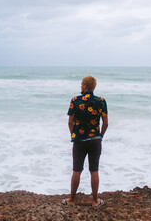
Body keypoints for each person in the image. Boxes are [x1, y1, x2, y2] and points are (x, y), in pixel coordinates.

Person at [62, 75, 108, 208]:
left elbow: (70, 121)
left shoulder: (75, 100)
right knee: (94, 170)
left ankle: (71, 199)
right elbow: (105, 124)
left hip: (79, 140)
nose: (80, 86)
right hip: (95, 140)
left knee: (77, 170)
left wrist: (74, 135)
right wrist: (101, 136)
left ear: (85, 86)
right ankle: (95, 201)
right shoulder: (101, 101)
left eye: (82, 84)